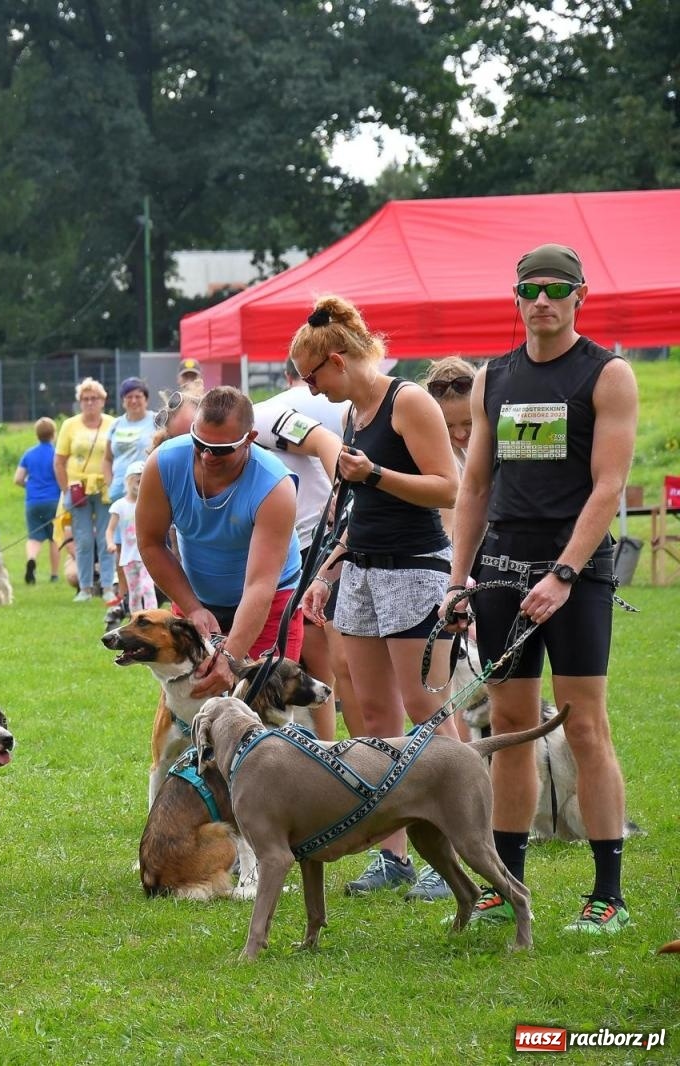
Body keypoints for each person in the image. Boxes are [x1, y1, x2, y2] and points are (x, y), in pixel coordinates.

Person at [443, 243, 638, 934]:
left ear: (580, 295)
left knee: (583, 724)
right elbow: (474, 485)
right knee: (513, 729)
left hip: (575, 574)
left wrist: (563, 573)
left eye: (557, 289)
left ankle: (608, 895)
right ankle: (506, 886)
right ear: (517, 298)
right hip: (500, 570)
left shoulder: (606, 375)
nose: (544, 301)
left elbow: (609, 485)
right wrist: (459, 578)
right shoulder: (492, 376)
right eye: (532, 290)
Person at [292, 295, 460, 901]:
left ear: (336, 360)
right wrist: (329, 568)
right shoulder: (352, 416)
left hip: (414, 570)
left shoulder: (407, 400)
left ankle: (461, 847)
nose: (312, 391)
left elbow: (449, 488)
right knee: (372, 714)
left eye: (313, 378)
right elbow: (357, 509)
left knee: (427, 709)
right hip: (360, 572)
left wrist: (377, 476)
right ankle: (393, 856)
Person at [136, 386, 302, 702]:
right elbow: (150, 543)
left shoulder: (275, 486)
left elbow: (260, 585)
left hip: (269, 599)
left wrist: (230, 658)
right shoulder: (165, 463)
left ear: (249, 438)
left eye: (222, 449)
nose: (208, 455)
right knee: (192, 702)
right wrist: (192, 606)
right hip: (197, 595)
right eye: (200, 444)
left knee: (264, 706)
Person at [251, 358, 348, 740]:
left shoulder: (260, 417)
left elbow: (326, 442)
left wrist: (341, 500)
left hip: (316, 542)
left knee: (329, 662)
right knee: (320, 662)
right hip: (304, 540)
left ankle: (334, 754)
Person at [55, 378, 115, 601]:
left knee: (105, 537)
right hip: (77, 488)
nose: (90, 403)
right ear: (80, 402)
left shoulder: (113, 423)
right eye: (85, 399)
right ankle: (85, 587)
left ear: (103, 400)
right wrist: (65, 490)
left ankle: (108, 586)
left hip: (104, 487)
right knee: (83, 539)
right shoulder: (69, 425)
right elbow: (59, 461)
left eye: (94, 398)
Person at [102, 377, 155, 596]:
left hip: (147, 491)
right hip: (120, 492)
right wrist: (109, 483)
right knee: (120, 544)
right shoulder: (116, 424)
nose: (134, 401)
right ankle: (123, 593)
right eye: (129, 397)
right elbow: (106, 458)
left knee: (145, 540)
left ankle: (150, 589)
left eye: (138, 396)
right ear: (123, 401)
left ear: (146, 399)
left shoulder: (155, 421)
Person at [421, 356, 478, 539]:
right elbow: (448, 530)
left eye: (469, 422)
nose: (460, 434)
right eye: (449, 426)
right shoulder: (443, 460)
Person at [14, 417, 61, 584]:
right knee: (54, 538)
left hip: (33, 501)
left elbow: (18, 478)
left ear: (37, 434)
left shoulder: (29, 454)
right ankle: (54, 574)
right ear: (53, 434)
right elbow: (60, 476)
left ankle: (31, 559)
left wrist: (30, 486)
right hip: (54, 500)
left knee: (34, 536)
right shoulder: (56, 453)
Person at [107, 460, 155, 611]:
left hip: (146, 555)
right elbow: (110, 529)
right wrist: (110, 543)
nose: (140, 485)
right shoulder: (119, 506)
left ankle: (152, 617)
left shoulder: (149, 502)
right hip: (128, 558)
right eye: (138, 481)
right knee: (134, 593)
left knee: (147, 588)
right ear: (128, 482)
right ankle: (136, 621)